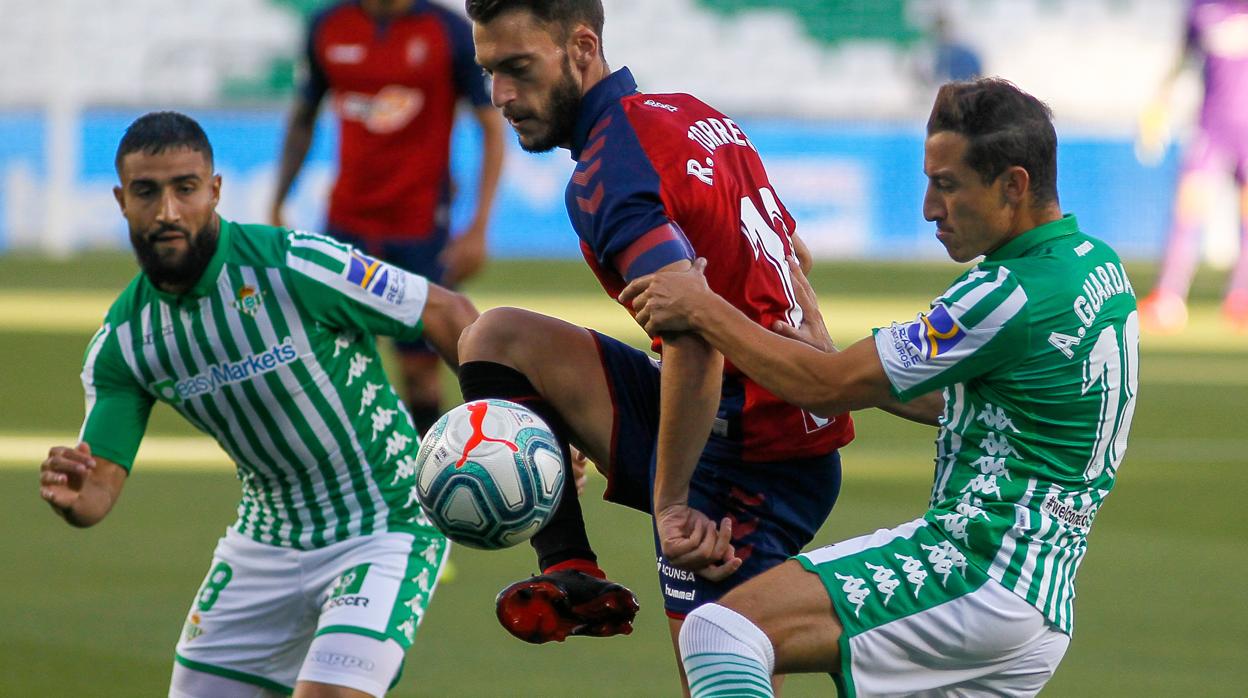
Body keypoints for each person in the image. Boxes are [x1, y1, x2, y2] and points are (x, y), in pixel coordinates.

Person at [623, 79, 1139, 697]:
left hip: (974, 571)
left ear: (1014, 185)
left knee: (720, 632)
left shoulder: (1006, 293)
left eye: (946, 184)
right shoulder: (1097, 266)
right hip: (1040, 603)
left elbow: (821, 389)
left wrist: (703, 309)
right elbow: (974, 406)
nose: (928, 207)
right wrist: (834, 363)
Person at [458, 0, 855, 690]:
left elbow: (696, 340)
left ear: (581, 47)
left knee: (717, 665)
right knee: (496, 338)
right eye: (490, 72)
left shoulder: (610, 171)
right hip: (759, 410)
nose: (502, 97)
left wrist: (673, 503)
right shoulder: (689, 113)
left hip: (757, 458)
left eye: (518, 69)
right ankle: (570, 569)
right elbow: (795, 251)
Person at [39, 111, 479, 698]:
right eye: (147, 192)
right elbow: (97, 491)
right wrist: (74, 496)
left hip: (386, 524)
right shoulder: (124, 343)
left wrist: (506, 420)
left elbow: (447, 313)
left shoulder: (294, 264)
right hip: (265, 543)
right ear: (121, 200)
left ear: (215, 191)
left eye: (185, 188)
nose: (167, 211)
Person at [271, 0, 506, 433]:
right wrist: (277, 199)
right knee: (331, 370)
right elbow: (304, 116)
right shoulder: (328, 26)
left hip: (420, 230)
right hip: (345, 226)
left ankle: (427, 483)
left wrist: (478, 227)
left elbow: (490, 125)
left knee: (420, 373)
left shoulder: (448, 31)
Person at [1137, 0, 1248, 333]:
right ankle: (1169, 297)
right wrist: (1159, 105)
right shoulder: (1201, 9)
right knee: (1187, 210)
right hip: (1211, 127)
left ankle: (1241, 295)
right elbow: (1183, 59)